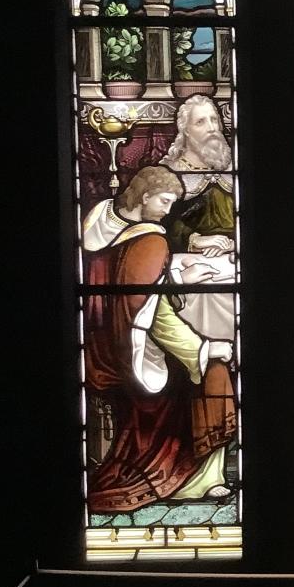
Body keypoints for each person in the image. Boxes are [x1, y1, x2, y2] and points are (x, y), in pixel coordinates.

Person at [82, 166, 236, 512]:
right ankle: (192, 480)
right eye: (164, 201)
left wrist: (176, 277)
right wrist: (203, 349)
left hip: (98, 344)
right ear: (145, 196)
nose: (168, 210)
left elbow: (133, 291)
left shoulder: (98, 223)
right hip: (129, 354)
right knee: (215, 373)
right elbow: (155, 316)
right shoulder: (150, 241)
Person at [160, 94, 236, 258]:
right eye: (200, 122)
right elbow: (156, 223)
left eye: (214, 120)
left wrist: (233, 244)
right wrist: (194, 240)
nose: (212, 128)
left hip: (229, 256)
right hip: (184, 260)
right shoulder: (169, 171)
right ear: (186, 130)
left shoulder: (235, 168)